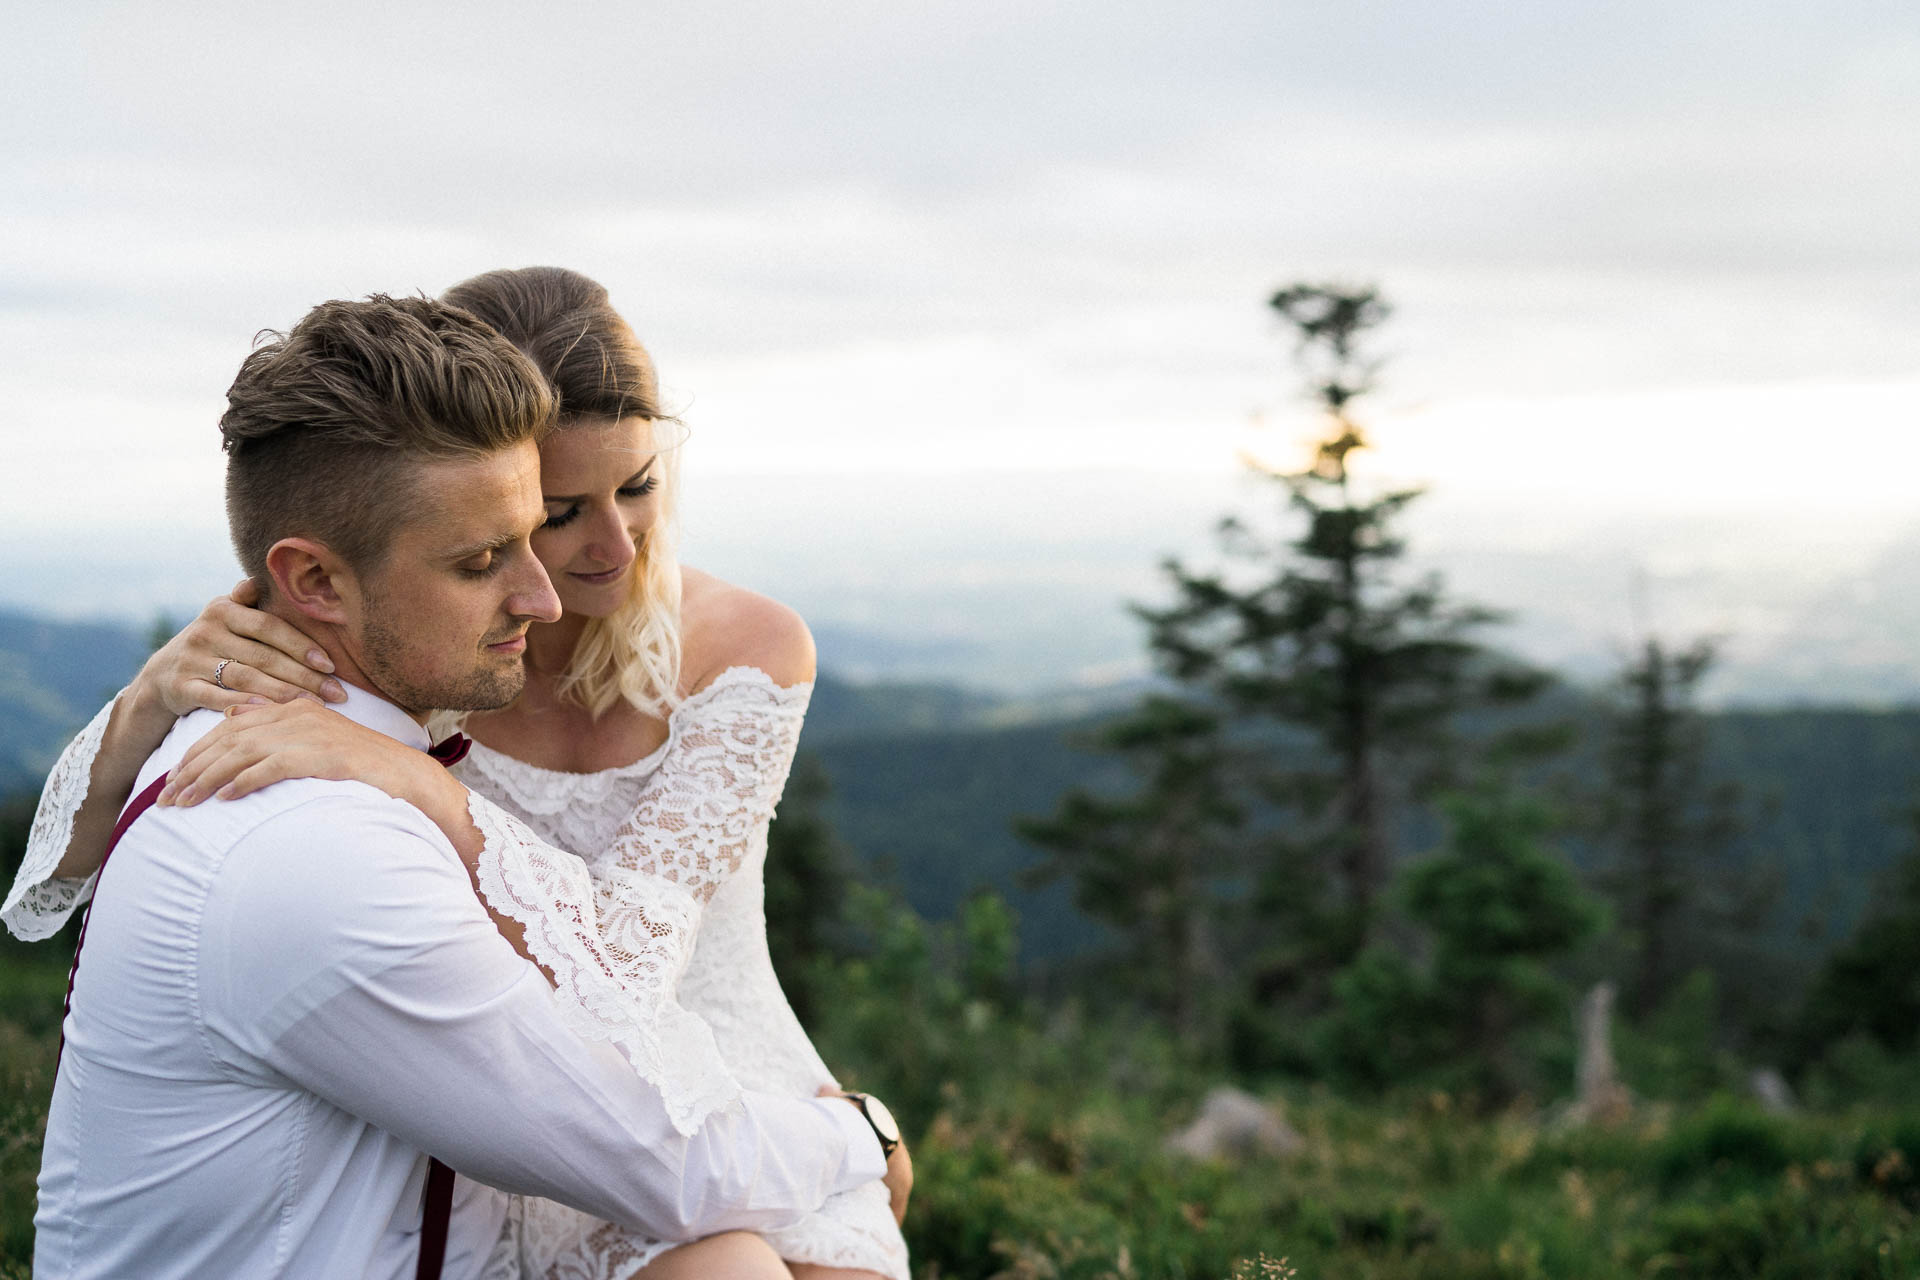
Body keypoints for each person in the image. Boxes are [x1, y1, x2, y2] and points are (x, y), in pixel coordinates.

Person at [7, 271, 911, 1280]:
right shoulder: (356, 718)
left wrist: (415, 778)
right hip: (545, 1111)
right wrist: (148, 701)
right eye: (545, 520)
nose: (590, 560)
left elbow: (623, 980)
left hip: (675, 1077)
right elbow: (51, 885)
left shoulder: (434, 665)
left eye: (641, 485)